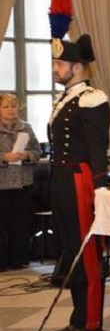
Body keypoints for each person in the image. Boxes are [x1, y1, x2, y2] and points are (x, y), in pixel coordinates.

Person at [44, 0, 110, 331]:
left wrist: (99, 190)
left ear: (77, 67)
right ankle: (76, 318)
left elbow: (98, 148)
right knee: (71, 249)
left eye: (60, 65)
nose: (56, 70)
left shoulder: (91, 98)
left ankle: (90, 322)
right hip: (61, 178)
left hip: (82, 180)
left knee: (86, 253)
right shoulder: (66, 99)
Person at [0, 93, 41, 271]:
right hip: (1, 183)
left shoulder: (26, 127)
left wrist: (26, 155)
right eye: (6, 107)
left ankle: (18, 260)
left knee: (20, 223)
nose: (10, 110)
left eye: (13, 106)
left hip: (23, 182)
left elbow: (38, 152)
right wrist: (4, 157)